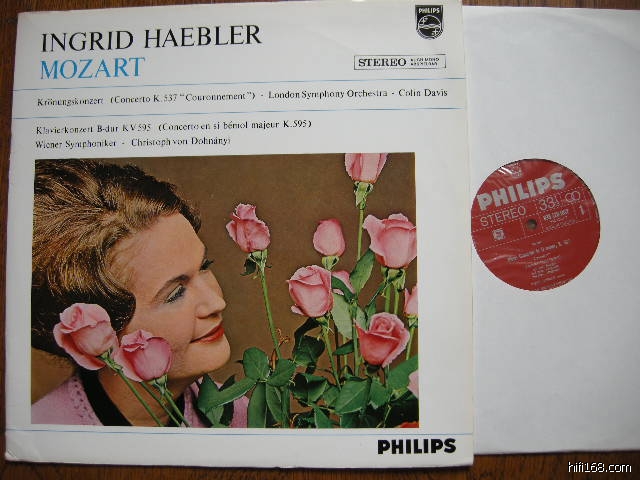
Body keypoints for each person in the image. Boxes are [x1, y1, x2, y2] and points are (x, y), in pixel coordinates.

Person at [31, 159, 247, 427]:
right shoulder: (46, 431)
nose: (216, 302)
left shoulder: (243, 414)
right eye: (175, 293)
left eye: (204, 266)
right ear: (98, 336)